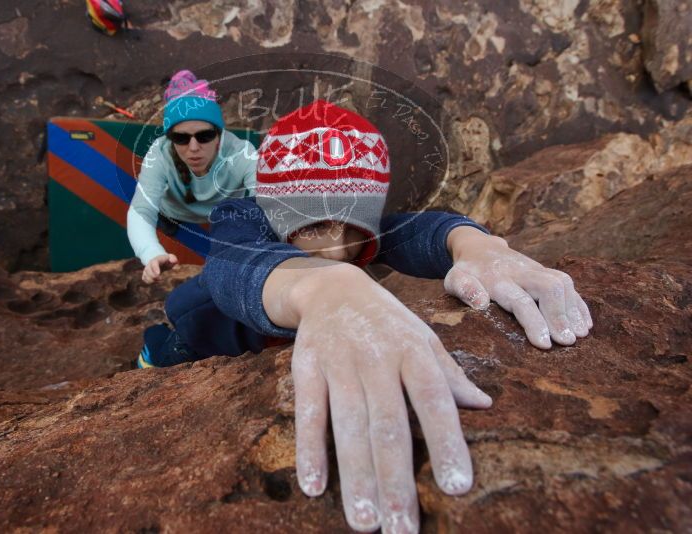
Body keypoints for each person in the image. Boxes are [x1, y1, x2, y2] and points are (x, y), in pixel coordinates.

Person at [141, 101, 593, 532]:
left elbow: (420, 229)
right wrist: (325, 284)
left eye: (352, 228)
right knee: (162, 355)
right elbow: (232, 266)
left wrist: (477, 246)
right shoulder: (243, 214)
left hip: (296, 335)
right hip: (207, 332)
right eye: (314, 227)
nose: (336, 248)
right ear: (279, 214)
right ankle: (151, 352)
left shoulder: (359, 237)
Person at [127, 69, 257, 286]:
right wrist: (151, 253)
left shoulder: (242, 153)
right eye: (181, 138)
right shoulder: (159, 153)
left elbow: (264, 204)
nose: (194, 148)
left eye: (204, 136)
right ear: (170, 139)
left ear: (219, 135)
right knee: (165, 225)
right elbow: (141, 210)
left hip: (224, 215)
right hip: (173, 212)